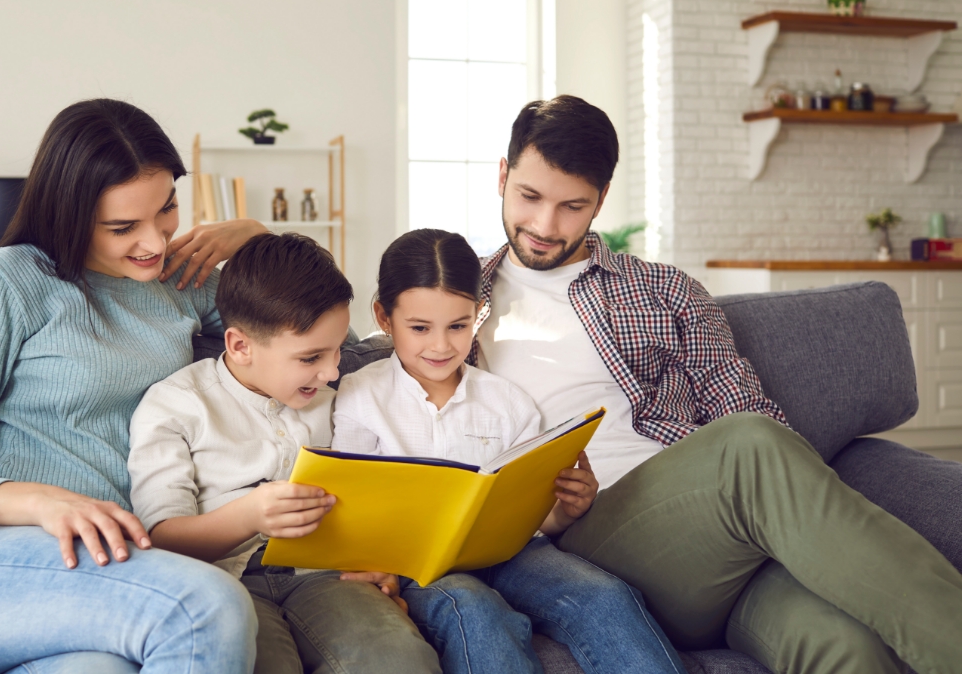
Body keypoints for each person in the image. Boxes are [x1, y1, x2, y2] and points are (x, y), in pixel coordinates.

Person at [469, 94, 962, 673]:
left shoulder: (667, 291)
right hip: (591, 545)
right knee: (747, 446)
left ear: (601, 200)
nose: (545, 226)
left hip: (719, 546)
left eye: (572, 206)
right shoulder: (455, 305)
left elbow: (748, 409)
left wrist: (794, 527)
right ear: (503, 177)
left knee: (845, 649)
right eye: (529, 197)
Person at [0, 98, 270, 674]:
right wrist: (40, 501)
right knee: (204, 608)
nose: (155, 243)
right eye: (121, 227)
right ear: (67, 212)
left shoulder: (181, 283)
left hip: (109, 578)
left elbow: (310, 332)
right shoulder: (7, 279)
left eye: (166, 210)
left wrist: (256, 237)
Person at [331, 228, 687, 674]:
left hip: (513, 554)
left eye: (458, 326)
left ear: (478, 316)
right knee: (476, 611)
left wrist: (567, 509)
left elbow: (535, 515)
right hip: (420, 567)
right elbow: (351, 509)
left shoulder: (507, 402)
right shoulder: (360, 396)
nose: (441, 346)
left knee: (605, 597)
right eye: (420, 328)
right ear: (384, 318)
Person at [128, 232, 442, 674]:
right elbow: (160, 536)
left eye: (336, 351)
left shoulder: (340, 401)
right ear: (240, 346)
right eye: (311, 356)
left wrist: (380, 563)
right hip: (225, 583)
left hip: (324, 577)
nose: (333, 370)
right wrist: (250, 514)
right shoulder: (174, 405)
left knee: (400, 658)